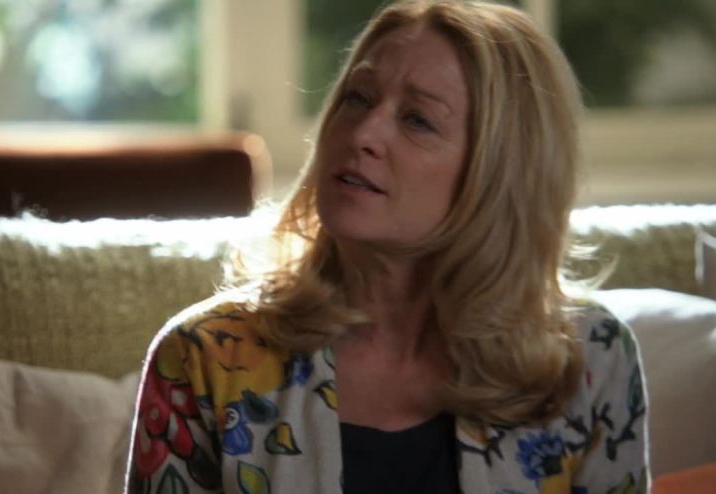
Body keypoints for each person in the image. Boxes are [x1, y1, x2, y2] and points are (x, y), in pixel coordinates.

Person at [125, 1, 650, 492]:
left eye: (417, 119)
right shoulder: (203, 355)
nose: (363, 134)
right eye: (358, 97)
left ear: (498, 173)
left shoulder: (591, 360)